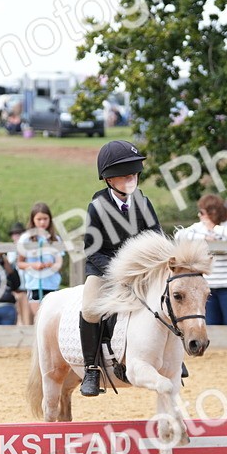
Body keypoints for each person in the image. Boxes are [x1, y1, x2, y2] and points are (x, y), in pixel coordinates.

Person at [79, 140, 163, 396]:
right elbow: (92, 249)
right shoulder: (97, 207)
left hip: (140, 270)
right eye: (126, 176)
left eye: (134, 175)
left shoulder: (143, 203)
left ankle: (172, 358)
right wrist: (117, 273)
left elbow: (156, 236)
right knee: (90, 308)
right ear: (109, 180)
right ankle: (91, 369)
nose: (132, 180)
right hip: (104, 268)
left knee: (168, 298)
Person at [176, 195, 227, 325]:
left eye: (202, 212)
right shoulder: (198, 227)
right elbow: (179, 235)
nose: (199, 215)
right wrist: (204, 238)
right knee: (210, 325)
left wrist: (213, 227)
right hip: (208, 286)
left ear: (212, 212)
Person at [18, 203, 63, 319]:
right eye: (39, 219)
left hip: (52, 284)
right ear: (33, 220)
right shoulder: (26, 239)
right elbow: (20, 263)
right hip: (34, 285)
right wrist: (33, 265)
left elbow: (59, 263)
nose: (42, 222)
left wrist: (51, 265)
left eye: (45, 219)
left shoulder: (56, 239)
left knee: (52, 319)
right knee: (40, 318)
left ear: (50, 219)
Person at [5, 221, 31, 324]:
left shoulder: (28, 248)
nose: (17, 236)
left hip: (27, 286)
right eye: (14, 234)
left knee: (28, 317)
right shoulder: (11, 250)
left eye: (19, 234)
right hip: (16, 288)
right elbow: (10, 265)